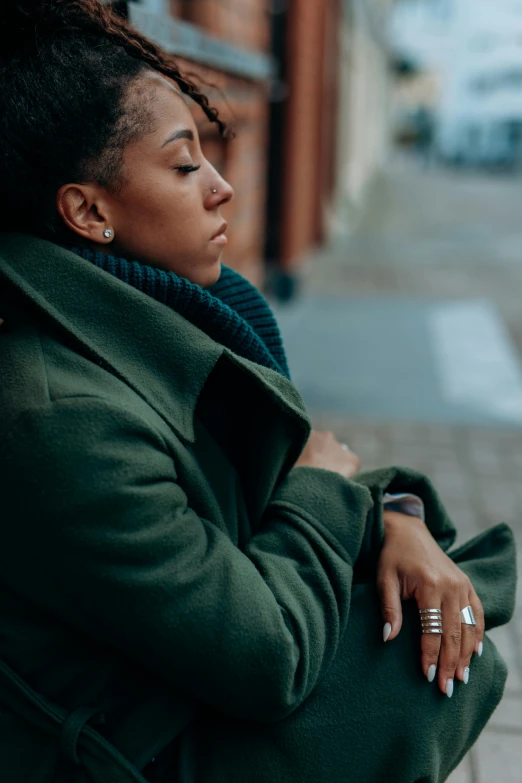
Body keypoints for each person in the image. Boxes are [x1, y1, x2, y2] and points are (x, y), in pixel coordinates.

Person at [0, 3, 516, 782]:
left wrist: (396, 520)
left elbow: (258, 487)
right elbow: (265, 653)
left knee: (445, 600)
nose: (223, 190)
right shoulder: (63, 418)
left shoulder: (170, 312)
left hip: (179, 673)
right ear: (88, 210)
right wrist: (323, 487)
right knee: (432, 665)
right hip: (132, 748)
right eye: (183, 166)